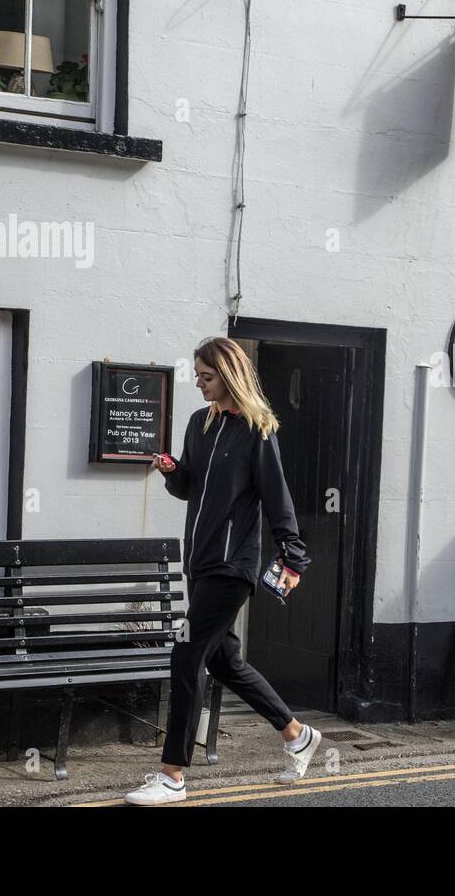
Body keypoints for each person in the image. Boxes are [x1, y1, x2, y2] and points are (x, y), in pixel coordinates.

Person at [125, 337, 321, 805]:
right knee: (223, 660)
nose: (199, 382)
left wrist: (292, 554)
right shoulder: (200, 424)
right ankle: (297, 734)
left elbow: (278, 498)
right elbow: (190, 487)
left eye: (206, 376)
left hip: (233, 567)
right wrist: (172, 470)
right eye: (197, 374)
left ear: (229, 375)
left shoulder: (256, 430)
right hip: (200, 560)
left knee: (186, 654)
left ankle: (172, 776)